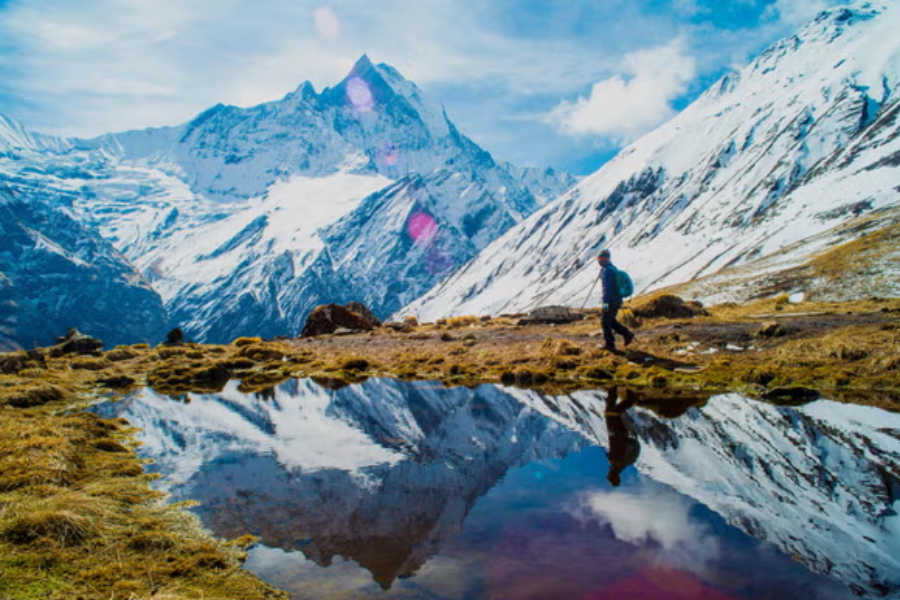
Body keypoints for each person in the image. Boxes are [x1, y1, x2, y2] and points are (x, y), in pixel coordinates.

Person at [597, 249, 634, 353]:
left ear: (602, 259)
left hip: (609, 301)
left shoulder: (607, 271)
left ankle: (610, 344)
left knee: (605, 321)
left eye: (599, 259)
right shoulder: (612, 269)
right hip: (616, 300)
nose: (598, 261)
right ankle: (627, 334)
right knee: (610, 320)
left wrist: (605, 303)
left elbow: (607, 289)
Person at [604, 386, 640, 487]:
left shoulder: (622, 463)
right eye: (610, 476)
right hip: (615, 430)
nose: (609, 474)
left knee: (616, 411)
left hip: (621, 433)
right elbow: (616, 443)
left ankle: (630, 397)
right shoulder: (616, 462)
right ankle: (613, 388)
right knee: (611, 411)